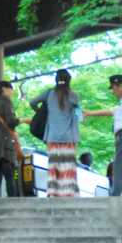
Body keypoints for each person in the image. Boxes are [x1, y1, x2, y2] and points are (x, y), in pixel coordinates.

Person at [30, 69, 82, 198]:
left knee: (54, 165)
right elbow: (77, 117)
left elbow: (32, 102)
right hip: (69, 137)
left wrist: (41, 111)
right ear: (69, 80)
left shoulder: (49, 94)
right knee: (68, 166)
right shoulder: (74, 96)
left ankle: (53, 193)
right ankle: (68, 192)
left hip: (52, 136)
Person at [84, 74, 122, 195]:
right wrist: (89, 113)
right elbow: (111, 111)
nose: (113, 92)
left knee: (120, 166)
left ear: (120, 86)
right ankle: (121, 192)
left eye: (114, 88)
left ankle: (118, 194)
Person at [0, 80, 21, 197]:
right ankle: (14, 208)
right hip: (5, 147)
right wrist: (23, 120)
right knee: (11, 179)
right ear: (4, 89)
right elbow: (11, 121)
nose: (12, 92)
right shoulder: (6, 101)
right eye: (10, 89)